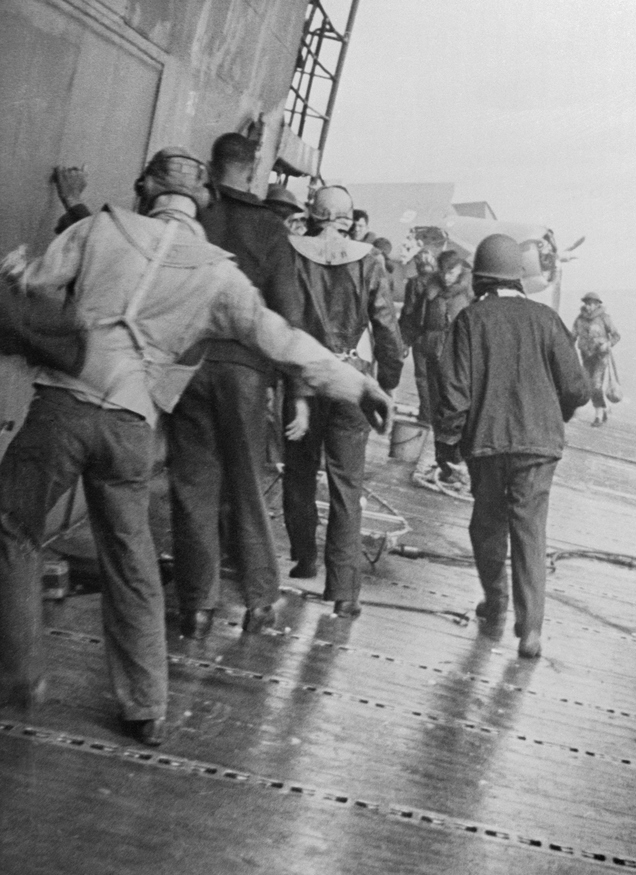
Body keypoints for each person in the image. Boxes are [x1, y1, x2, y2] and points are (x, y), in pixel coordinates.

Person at [0, 148, 393, 745]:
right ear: (200, 203)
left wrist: (16, 270)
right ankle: (145, 706)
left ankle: (23, 674)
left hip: (64, 409)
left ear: (144, 189)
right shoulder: (219, 274)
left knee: (13, 524)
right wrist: (357, 384)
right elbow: (282, 339)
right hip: (133, 426)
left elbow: (30, 282)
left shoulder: (99, 227)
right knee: (131, 562)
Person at [168, 132, 307, 640]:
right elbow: (289, 314)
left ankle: (196, 606)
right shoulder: (271, 230)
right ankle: (259, 602)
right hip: (246, 373)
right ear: (254, 170)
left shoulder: (196, 218)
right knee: (247, 484)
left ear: (212, 166)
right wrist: (299, 394)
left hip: (188, 366)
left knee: (192, 485)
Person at [435, 234, 589, 659]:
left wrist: (447, 446)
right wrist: (555, 416)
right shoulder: (546, 318)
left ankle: (495, 600)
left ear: (481, 278)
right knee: (530, 528)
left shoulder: (469, 320)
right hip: (540, 445)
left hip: (486, 444)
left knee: (486, 524)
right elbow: (577, 387)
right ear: (520, 278)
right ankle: (531, 629)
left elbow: (453, 393)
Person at [283, 185, 402, 618]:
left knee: (298, 472)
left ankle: (303, 557)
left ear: (313, 214)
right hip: (353, 380)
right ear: (349, 220)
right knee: (346, 485)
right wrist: (385, 385)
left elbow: (287, 320)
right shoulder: (370, 259)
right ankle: (343, 589)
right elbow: (386, 328)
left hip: (304, 375)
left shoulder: (293, 252)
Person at [422, 250, 472, 469]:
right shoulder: (431, 289)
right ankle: (442, 462)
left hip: (459, 361)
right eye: (442, 271)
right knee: (436, 411)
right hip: (433, 357)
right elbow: (415, 319)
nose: (446, 276)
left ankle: (457, 462)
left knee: (457, 410)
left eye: (451, 271)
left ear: (461, 269)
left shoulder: (470, 294)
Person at [398, 248, 438, 425]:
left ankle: (426, 414)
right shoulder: (441, 282)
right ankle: (437, 414)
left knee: (422, 377)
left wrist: (403, 340)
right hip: (440, 336)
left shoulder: (414, 283)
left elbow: (408, 311)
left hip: (420, 336)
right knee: (438, 376)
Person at [572, 291, 620, 426]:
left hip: (601, 357)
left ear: (597, 305)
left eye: (591, 304)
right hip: (586, 357)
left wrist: (607, 344)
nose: (588, 307)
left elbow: (616, 335)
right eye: (586, 304)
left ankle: (598, 415)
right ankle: (603, 409)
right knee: (585, 384)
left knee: (596, 384)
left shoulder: (604, 318)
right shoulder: (579, 319)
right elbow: (572, 336)